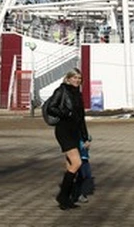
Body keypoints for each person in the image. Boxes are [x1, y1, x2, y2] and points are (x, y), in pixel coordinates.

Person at [45, 68, 90, 210]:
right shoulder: (61, 90)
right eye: (74, 78)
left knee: (71, 164)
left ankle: (68, 197)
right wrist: (66, 112)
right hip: (63, 130)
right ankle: (62, 197)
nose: (77, 80)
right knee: (77, 163)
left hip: (75, 131)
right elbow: (51, 108)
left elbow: (81, 118)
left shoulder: (78, 94)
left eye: (79, 78)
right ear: (68, 78)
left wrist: (85, 137)